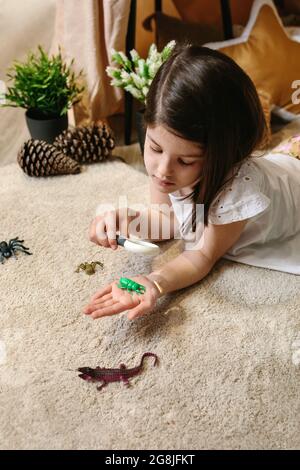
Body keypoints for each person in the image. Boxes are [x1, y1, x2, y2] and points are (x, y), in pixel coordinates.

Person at [83, 43, 300, 321]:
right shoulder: (167, 169)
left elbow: (201, 256)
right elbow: (166, 221)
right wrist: (123, 219)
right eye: (155, 148)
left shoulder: (236, 190)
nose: (162, 170)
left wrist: (156, 281)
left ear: (223, 156)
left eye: (185, 161)